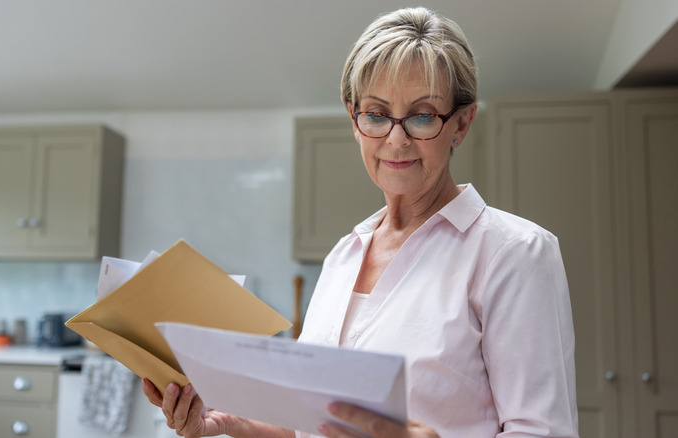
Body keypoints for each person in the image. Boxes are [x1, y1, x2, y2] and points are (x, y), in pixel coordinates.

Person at [142, 6, 578, 438]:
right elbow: (311, 424)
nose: (396, 138)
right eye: (376, 114)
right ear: (355, 121)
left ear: (461, 123)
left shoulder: (515, 254)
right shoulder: (342, 257)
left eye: (423, 115)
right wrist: (229, 420)